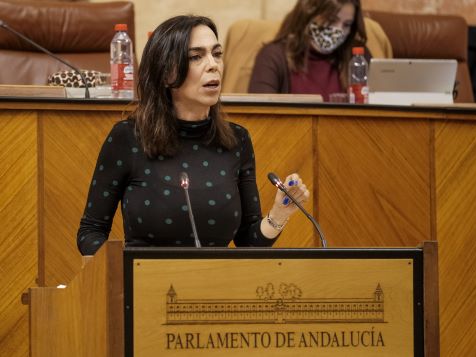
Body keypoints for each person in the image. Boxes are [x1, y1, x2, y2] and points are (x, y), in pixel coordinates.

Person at [77, 15, 310, 255]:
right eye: (196, 56)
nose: (213, 65)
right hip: (144, 284)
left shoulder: (237, 140)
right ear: (167, 73)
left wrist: (279, 215)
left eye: (217, 54)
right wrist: (121, 272)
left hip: (211, 285)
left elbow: (247, 240)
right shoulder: (128, 137)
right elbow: (90, 231)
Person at [248, 0, 369, 101]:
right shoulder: (273, 56)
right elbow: (261, 118)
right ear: (308, 15)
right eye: (331, 20)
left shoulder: (357, 55)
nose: (338, 30)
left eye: (346, 25)